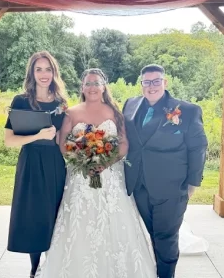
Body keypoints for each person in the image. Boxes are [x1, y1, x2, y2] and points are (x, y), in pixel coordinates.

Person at [38, 68, 157, 278]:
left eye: (96, 83)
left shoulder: (115, 112)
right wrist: (82, 161)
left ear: (104, 87)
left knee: (116, 223)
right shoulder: (71, 113)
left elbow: (123, 143)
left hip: (111, 177)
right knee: (81, 223)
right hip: (80, 177)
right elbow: (63, 143)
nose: (92, 87)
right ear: (82, 87)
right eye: (88, 83)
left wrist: (104, 163)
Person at [123, 64, 208, 278]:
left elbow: (198, 147)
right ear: (141, 83)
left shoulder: (187, 110)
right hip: (139, 185)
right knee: (149, 235)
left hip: (171, 187)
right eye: (147, 82)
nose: (151, 86)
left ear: (165, 82)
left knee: (166, 237)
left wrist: (193, 184)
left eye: (156, 81)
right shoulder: (130, 105)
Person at [4, 51, 67, 278]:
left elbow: (62, 139)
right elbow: (9, 140)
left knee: (54, 211)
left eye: (48, 69)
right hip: (31, 161)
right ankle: (34, 268)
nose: (43, 74)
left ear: (54, 72)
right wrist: (38, 136)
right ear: (31, 72)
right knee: (34, 212)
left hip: (55, 162)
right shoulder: (20, 101)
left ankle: (54, 264)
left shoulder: (61, 102)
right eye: (38, 69)